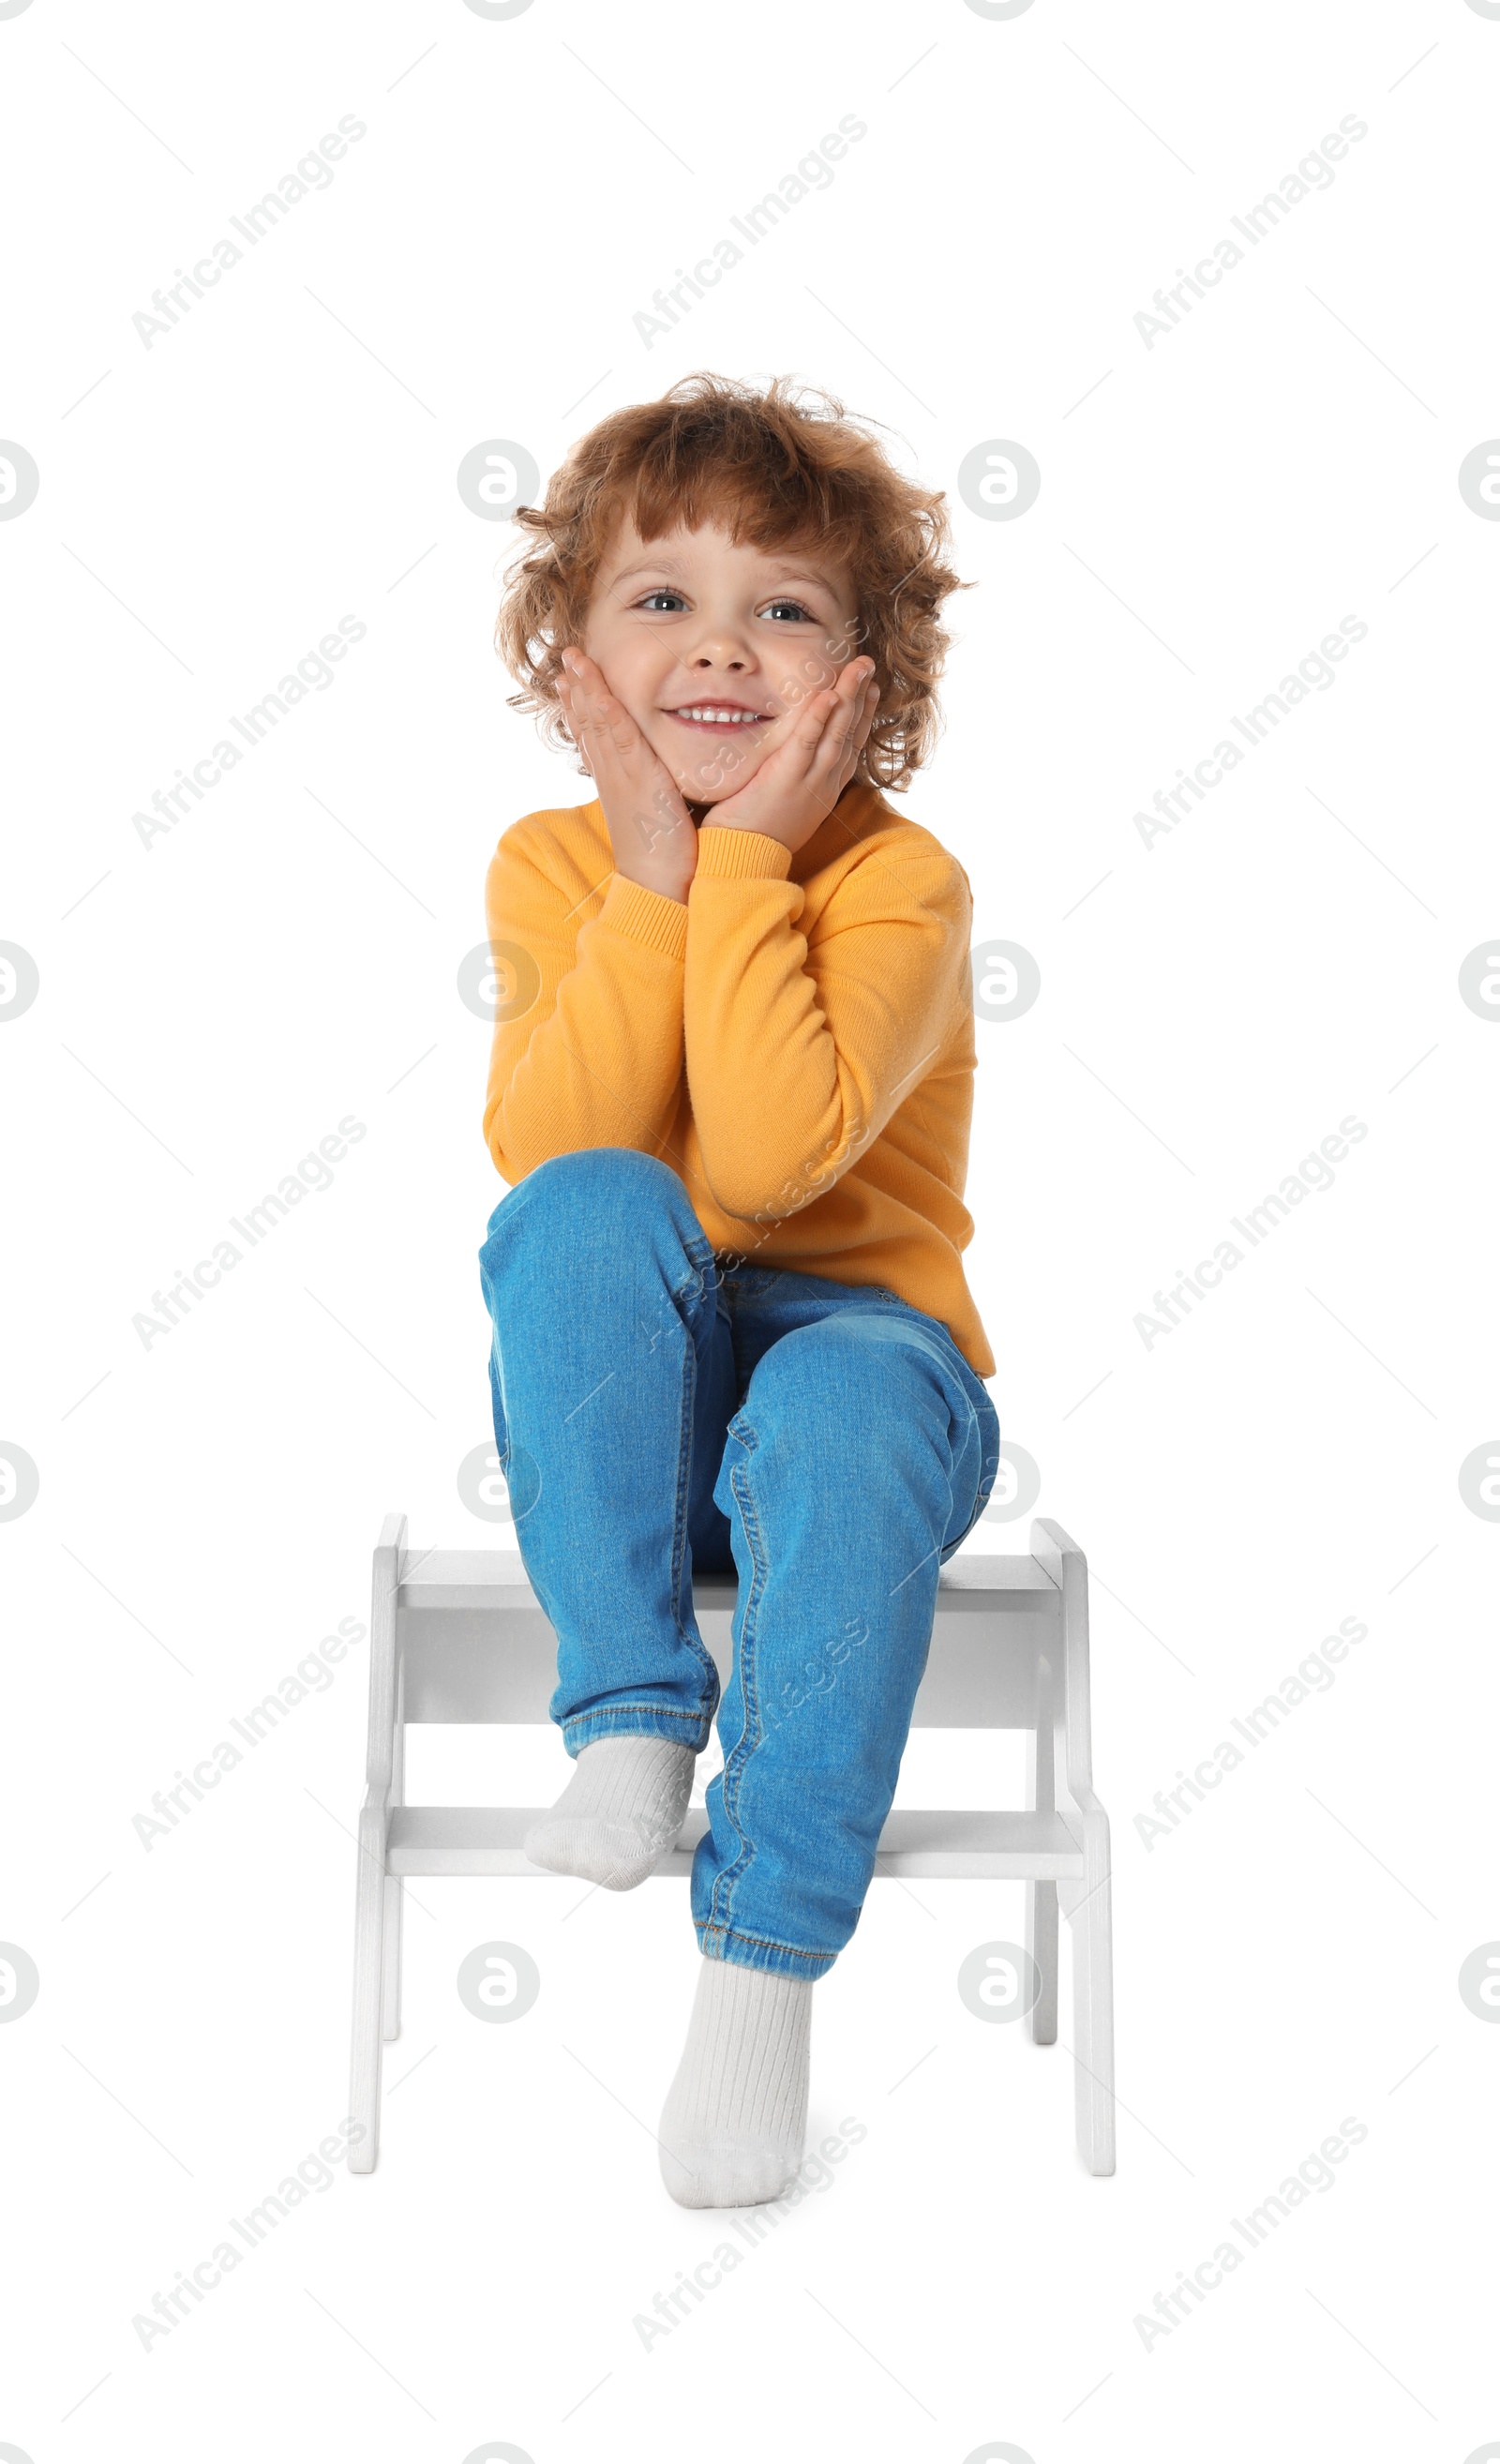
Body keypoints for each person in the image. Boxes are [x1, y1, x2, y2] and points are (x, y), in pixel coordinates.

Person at [477, 371, 998, 2209]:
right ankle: (628, 1715)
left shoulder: (892, 883)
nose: (721, 646)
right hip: (652, 1385)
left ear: (866, 682)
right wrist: (645, 874)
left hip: (866, 1372)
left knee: (842, 1393)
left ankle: (757, 1973)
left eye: (783, 608)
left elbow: (778, 1167)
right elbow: (556, 1153)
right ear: (574, 656)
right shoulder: (556, 866)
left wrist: (750, 859)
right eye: (661, 599)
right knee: (585, 1204)